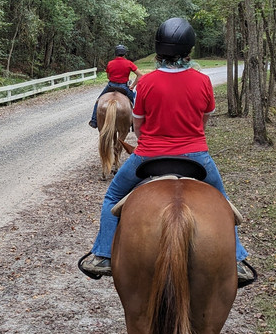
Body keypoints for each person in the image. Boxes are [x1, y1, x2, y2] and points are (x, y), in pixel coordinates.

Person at [79, 17, 257, 288]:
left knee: (112, 196)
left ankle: (103, 254)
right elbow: (203, 121)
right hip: (196, 155)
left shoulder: (147, 83)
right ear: (189, 50)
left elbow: (137, 126)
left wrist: (149, 142)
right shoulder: (203, 81)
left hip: (149, 155)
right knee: (221, 200)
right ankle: (236, 258)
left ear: (159, 49)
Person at [89, 45, 139, 128]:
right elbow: (140, 75)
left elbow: (108, 76)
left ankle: (94, 120)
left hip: (111, 86)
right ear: (124, 54)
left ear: (115, 53)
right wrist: (133, 85)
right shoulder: (129, 63)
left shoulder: (110, 63)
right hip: (124, 87)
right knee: (134, 103)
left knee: (98, 101)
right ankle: (134, 123)